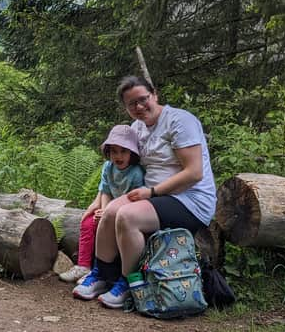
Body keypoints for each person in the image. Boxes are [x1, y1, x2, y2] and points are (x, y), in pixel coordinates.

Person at [72, 76, 216, 308]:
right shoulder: (136, 128)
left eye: (143, 99)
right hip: (152, 196)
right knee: (110, 212)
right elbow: (114, 169)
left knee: (128, 216)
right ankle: (101, 276)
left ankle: (129, 284)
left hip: (189, 200)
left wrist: (152, 191)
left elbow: (194, 173)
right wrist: (100, 200)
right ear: (126, 108)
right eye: (132, 104)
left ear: (154, 95)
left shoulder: (179, 121)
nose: (139, 107)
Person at [60, 125, 145, 285]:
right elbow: (105, 190)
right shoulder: (108, 167)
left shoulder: (136, 172)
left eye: (123, 151)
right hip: (108, 207)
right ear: (108, 152)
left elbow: (135, 200)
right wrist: (104, 210)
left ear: (131, 153)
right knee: (87, 222)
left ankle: (105, 271)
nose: (118, 156)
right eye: (114, 151)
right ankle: (84, 266)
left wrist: (109, 215)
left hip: (125, 211)